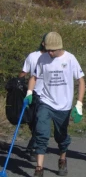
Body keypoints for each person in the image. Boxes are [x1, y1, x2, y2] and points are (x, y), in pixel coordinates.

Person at [24, 32, 85, 177]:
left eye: (53, 50)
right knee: (41, 133)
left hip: (63, 105)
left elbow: (81, 81)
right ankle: (39, 168)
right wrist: (29, 92)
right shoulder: (42, 58)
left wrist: (79, 103)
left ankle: (62, 160)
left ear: (60, 47)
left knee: (61, 136)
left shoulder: (70, 59)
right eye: (48, 49)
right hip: (46, 102)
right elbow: (34, 77)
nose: (50, 53)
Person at [18, 33, 47, 162]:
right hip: (33, 93)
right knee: (32, 122)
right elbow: (24, 72)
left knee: (39, 122)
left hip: (47, 95)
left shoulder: (56, 58)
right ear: (43, 43)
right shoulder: (33, 56)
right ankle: (33, 145)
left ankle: (32, 149)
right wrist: (16, 84)